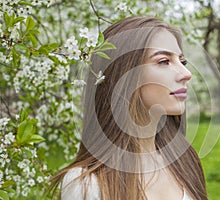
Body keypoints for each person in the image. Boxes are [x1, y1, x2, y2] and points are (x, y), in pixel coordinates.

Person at [50, 16, 207, 200]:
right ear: (124, 74)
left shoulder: (184, 161)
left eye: (182, 61)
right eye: (164, 61)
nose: (186, 74)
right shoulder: (87, 185)